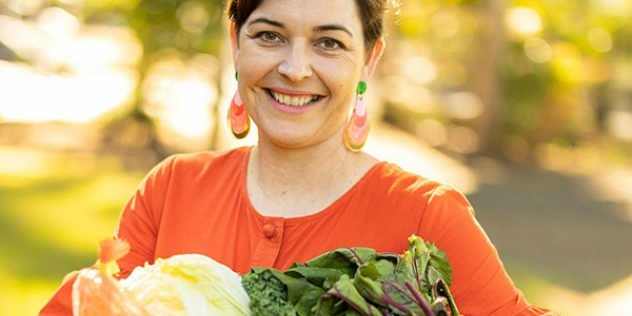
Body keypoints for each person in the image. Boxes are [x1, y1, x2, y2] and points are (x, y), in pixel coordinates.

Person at [40, 0, 560, 315]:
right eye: (269, 35)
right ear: (235, 42)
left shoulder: (425, 216)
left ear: (369, 59)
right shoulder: (172, 189)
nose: (294, 68)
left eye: (328, 43)